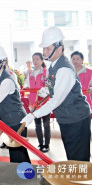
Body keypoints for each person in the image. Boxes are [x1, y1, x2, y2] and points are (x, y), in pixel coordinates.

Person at [20, 26, 91, 161]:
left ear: (59, 48)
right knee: (72, 157)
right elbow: (56, 89)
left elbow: (55, 100)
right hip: (66, 118)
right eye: (44, 48)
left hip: (76, 118)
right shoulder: (53, 66)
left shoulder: (64, 69)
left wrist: (32, 115)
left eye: (48, 48)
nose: (44, 52)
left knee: (79, 160)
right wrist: (46, 90)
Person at [23, 52, 50, 153]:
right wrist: (26, 86)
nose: (35, 61)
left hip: (44, 101)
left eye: (37, 59)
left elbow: (49, 85)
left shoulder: (46, 72)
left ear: (42, 60)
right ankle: (40, 143)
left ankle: (47, 144)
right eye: (33, 59)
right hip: (33, 102)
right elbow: (27, 83)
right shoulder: (30, 73)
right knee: (37, 124)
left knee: (46, 124)